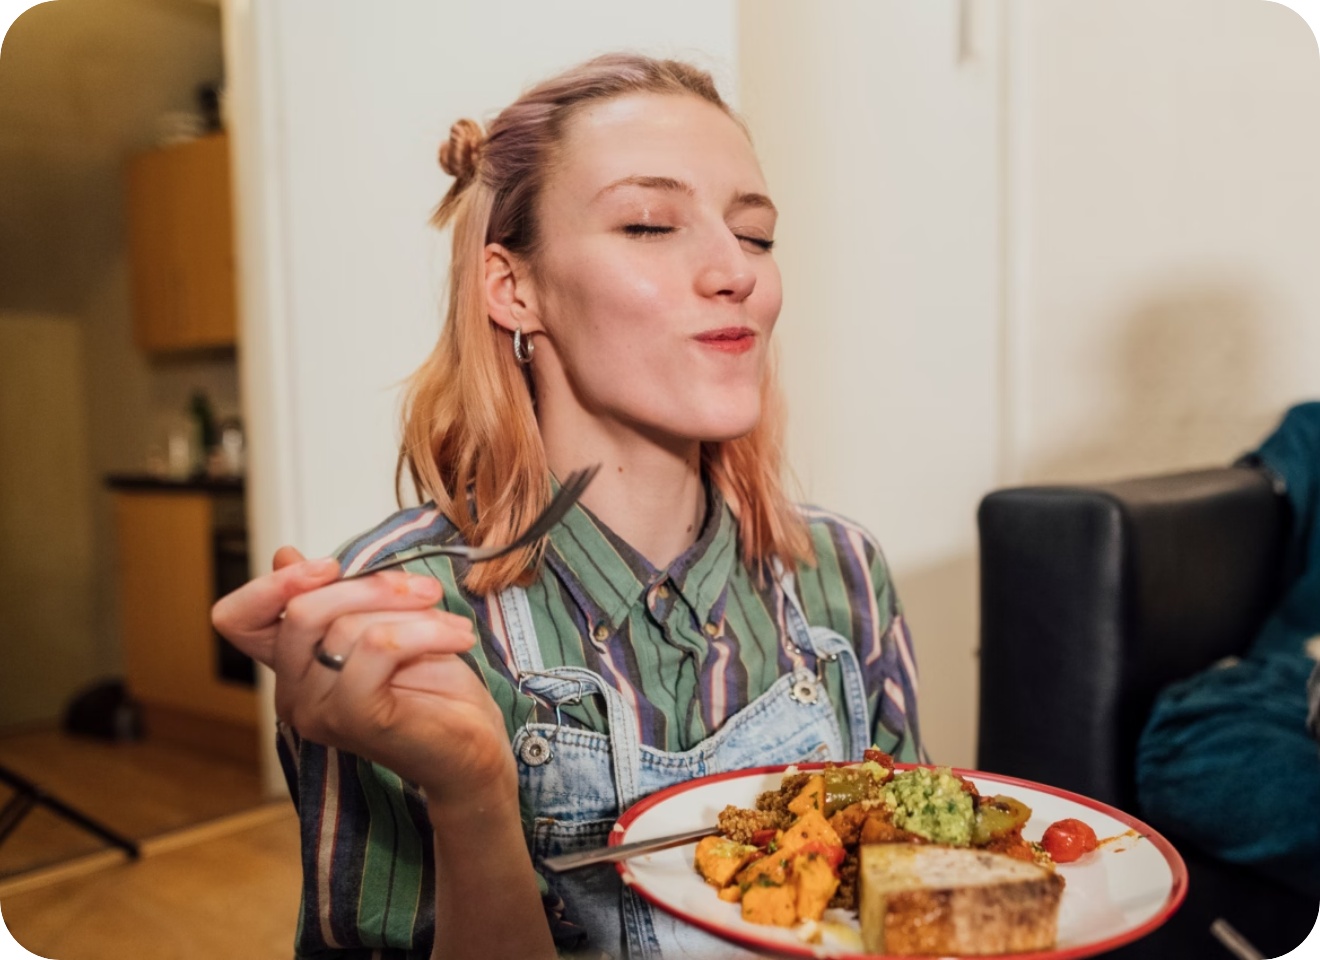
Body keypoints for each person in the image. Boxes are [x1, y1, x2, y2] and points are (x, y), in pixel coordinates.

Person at [213, 53, 926, 960]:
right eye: (648, 223)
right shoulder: (404, 621)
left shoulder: (847, 575)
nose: (735, 271)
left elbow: (917, 911)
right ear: (514, 289)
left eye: (756, 235)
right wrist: (472, 794)